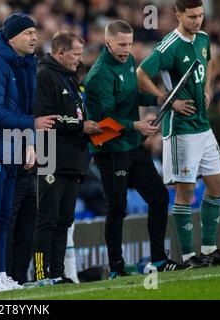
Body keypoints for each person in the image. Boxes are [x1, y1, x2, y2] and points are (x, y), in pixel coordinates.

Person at [84, 20, 189, 279]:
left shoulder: (129, 61)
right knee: (117, 207)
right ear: (107, 42)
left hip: (132, 144)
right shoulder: (98, 76)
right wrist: (136, 125)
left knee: (159, 198)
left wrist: (156, 99)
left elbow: (130, 95)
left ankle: (159, 260)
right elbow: (103, 122)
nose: (126, 49)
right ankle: (116, 269)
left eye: (129, 44)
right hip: (110, 149)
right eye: (121, 44)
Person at [0, 13, 58, 292]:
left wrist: (29, 143)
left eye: (35, 32)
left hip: (10, 144)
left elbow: (26, 107)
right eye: (28, 33)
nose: (34, 37)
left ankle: (1, 274)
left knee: (4, 214)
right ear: (11, 37)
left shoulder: (26, 63)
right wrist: (31, 125)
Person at [137, 0, 220, 267]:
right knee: (185, 191)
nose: (197, 21)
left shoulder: (202, 38)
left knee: (217, 184)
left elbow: (207, 62)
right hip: (180, 129)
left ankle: (209, 248)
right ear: (178, 15)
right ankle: (189, 255)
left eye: (200, 15)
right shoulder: (168, 46)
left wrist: (207, 88)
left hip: (202, 125)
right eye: (191, 16)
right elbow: (142, 73)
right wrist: (166, 99)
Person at [32, 31, 102, 284]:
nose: (79, 59)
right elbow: (46, 118)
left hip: (73, 158)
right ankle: (41, 274)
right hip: (51, 156)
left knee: (64, 221)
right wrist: (80, 127)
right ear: (60, 53)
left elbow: (76, 114)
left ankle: (56, 272)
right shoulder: (44, 76)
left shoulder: (70, 77)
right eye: (75, 54)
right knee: (47, 219)